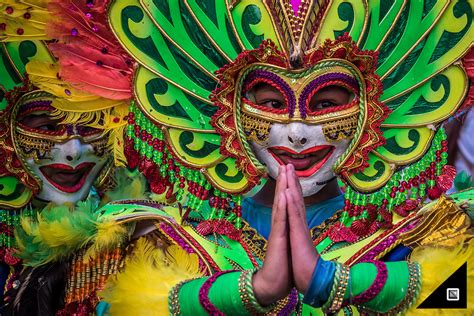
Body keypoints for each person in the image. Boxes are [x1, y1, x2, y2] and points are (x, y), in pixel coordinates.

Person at [7, 0, 474, 315]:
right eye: (270, 104)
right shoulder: (174, 231)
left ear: (374, 111)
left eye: (327, 104)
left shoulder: (420, 227)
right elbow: (125, 304)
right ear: (227, 112)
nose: (295, 132)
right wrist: (254, 290)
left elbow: (459, 296)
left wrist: (328, 280)